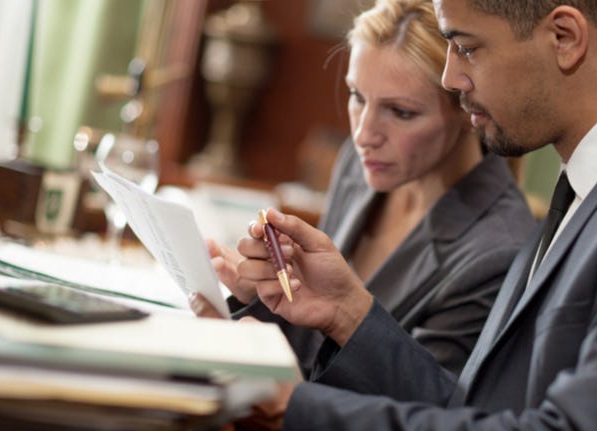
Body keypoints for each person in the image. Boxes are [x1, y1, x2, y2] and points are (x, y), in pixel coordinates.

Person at [194, 0, 597, 431]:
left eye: (467, 46)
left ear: (564, 37)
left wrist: (293, 410)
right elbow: (476, 414)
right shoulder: (591, 179)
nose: (451, 77)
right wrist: (348, 311)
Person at [200, 0, 535, 377]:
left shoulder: (498, 252)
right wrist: (258, 299)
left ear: (467, 109)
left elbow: (426, 411)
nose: (363, 135)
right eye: (357, 97)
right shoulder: (359, 168)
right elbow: (315, 342)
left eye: (401, 112)